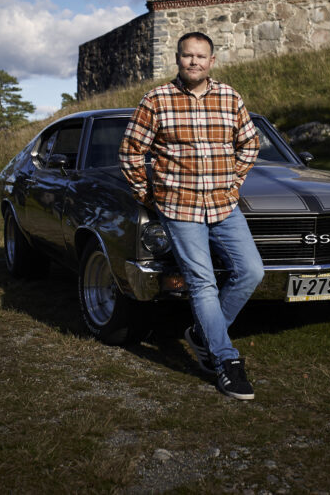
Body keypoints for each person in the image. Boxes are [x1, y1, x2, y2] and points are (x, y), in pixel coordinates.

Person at [118, 31, 264, 400]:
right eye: (187, 56)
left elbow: (250, 143)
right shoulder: (157, 100)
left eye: (201, 56)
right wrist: (147, 194)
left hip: (223, 204)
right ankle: (225, 361)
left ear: (211, 61)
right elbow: (131, 151)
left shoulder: (230, 97)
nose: (194, 62)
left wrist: (234, 184)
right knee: (202, 283)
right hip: (179, 206)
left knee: (251, 271)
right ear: (178, 59)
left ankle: (202, 335)